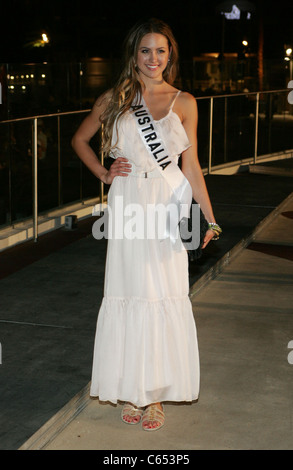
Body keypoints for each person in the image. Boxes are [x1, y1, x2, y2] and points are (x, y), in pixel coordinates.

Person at [71, 18, 221, 432]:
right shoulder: (114, 99)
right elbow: (79, 140)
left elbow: (191, 166)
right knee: (129, 290)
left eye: (161, 50)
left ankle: (153, 396)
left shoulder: (185, 101)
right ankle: (130, 386)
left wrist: (209, 218)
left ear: (170, 55)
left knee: (163, 293)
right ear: (133, 55)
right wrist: (104, 174)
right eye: (145, 51)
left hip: (168, 204)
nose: (153, 59)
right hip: (129, 200)